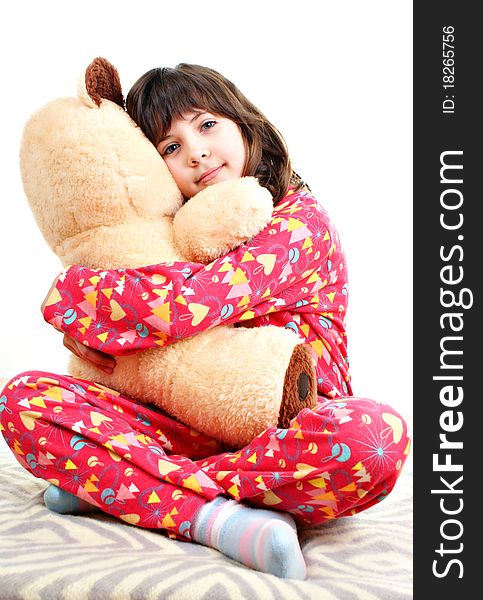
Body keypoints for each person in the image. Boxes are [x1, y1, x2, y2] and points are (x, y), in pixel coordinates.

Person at [0, 64, 410, 580]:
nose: (194, 151)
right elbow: (142, 330)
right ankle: (215, 519)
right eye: (170, 148)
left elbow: (188, 304)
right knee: (24, 399)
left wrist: (71, 299)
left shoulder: (299, 219)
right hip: (184, 427)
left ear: (243, 124)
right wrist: (100, 331)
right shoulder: (172, 232)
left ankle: (131, 486)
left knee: (376, 437)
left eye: (206, 125)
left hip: (287, 428)